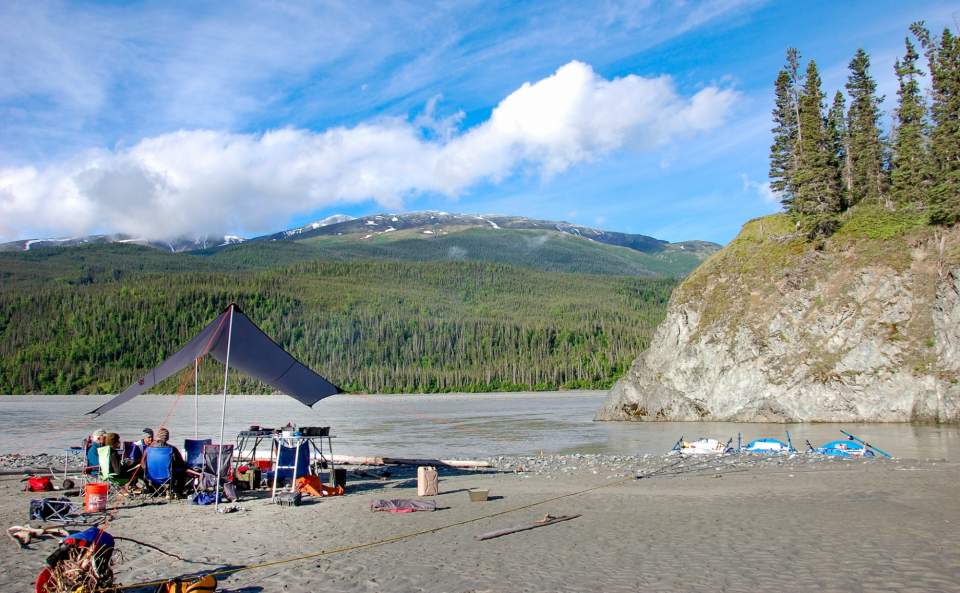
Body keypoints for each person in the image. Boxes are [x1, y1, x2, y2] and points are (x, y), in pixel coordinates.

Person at [144, 427, 187, 495]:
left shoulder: (148, 449)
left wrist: (147, 471)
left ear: (158, 436)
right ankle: (178, 492)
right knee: (182, 471)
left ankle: (154, 491)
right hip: (167, 477)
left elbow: (142, 464)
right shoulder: (172, 449)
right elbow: (180, 463)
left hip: (150, 476)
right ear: (167, 438)